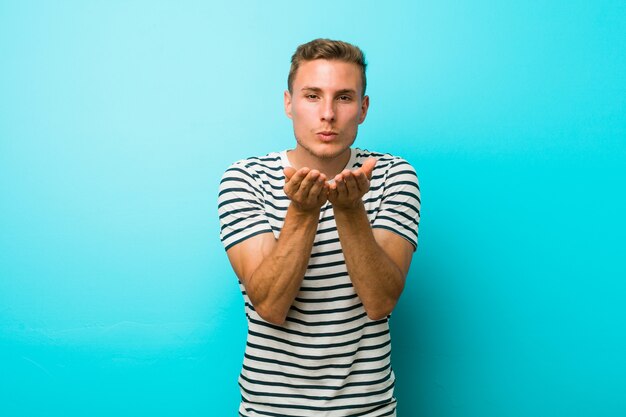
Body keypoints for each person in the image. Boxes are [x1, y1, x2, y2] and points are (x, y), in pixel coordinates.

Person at [218, 38, 420, 416]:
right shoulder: (245, 179)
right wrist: (303, 212)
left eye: (343, 98)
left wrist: (349, 210)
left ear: (362, 109)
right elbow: (271, 306)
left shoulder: (393, 175)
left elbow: (380, 302)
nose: (327, 114)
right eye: (312, 96)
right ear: (288, 103)